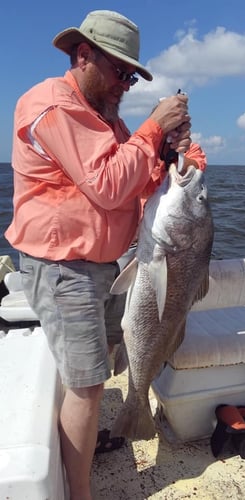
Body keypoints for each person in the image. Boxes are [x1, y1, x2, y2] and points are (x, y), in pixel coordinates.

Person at [5, 10, 207, 500]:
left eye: (132, 77)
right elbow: (110, 185)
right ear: (83, 55)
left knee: (117, 359)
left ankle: (96, 432)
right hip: (61, 270)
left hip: (106, 267)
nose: (125, 84)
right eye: (120, 72)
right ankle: (80, 493)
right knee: (88, 383)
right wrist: (155, 129)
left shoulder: (108, 123)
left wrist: (174, 157)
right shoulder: (52, 105)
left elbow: (139, 189)